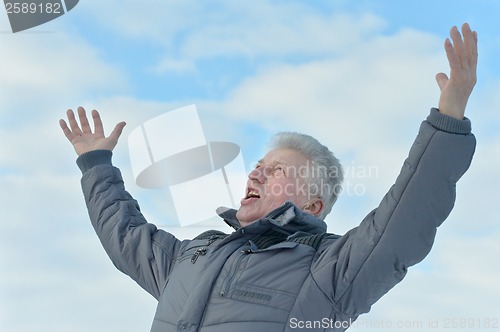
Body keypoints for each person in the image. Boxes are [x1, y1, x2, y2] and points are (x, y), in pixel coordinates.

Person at [60, 23, 478, 332]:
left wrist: (449, 117)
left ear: (313, 204)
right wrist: (96, 162)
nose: (257, 171)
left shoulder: (329, 270)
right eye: (258, 164)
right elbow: (125, 233)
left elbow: (406, 219)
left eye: (276, 169)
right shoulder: (191, 256)